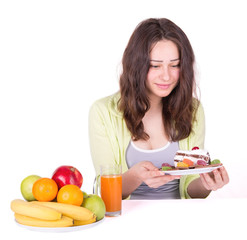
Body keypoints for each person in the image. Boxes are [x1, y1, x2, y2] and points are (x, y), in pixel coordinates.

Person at [88, 18, 229, 199]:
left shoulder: (192, 110)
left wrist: (207, 183)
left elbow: (192, 190)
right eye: (155, 65)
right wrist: (136, 176)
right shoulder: (102, 112)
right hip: (125, 221)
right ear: (136, 66)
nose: (166, 76)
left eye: (175, 65)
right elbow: (104, 191)